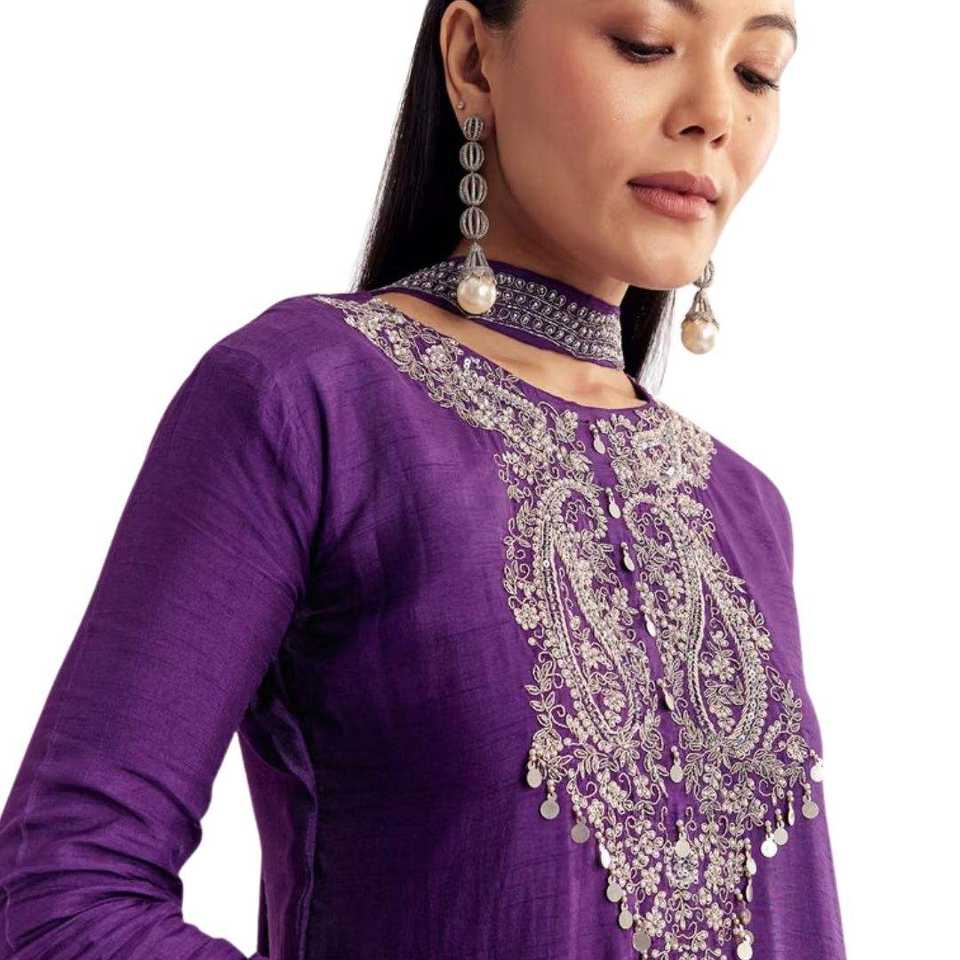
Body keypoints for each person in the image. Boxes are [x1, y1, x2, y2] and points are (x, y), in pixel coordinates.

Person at [0, 1, 848, 959]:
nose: (715, 114)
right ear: (474, 60)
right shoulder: (305, 402)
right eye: (645, 43)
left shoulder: (745, 507)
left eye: (756, 72)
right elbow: (64, 901)